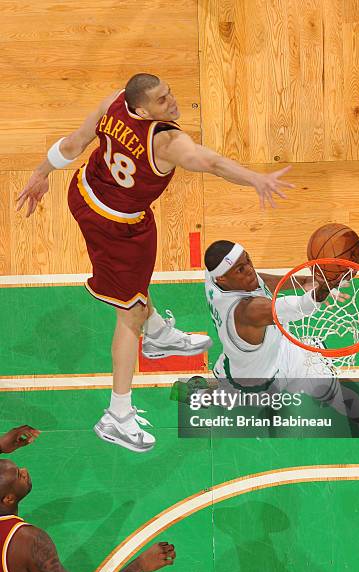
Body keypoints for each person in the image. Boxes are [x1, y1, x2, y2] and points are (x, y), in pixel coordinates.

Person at [16, 73, 294, 454]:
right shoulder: (167, 141)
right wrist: (256, 180)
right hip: (112, 226)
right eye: (162, 100)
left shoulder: (114, 101)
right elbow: (211, 163)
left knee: (135, 289)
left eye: (170, 92)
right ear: (141, 108)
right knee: (129, 312)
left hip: (93, 197)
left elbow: (73, 144)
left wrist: (41, 173)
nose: (173, 101)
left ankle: (159, 335)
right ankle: (117, 414)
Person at [199, 240, 359, 464]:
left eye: (248, 260)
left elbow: (260, 281)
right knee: (221, 398)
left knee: (341, 393)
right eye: (240, 269)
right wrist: (326, 284)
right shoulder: (246, 311)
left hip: (281, 353)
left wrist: (306, 280)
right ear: (222, 278)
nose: (250, 270)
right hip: (253, 381)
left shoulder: (214, 278)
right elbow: (299, 307)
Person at [0, 459, 175, 572]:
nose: (24, 470)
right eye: (17, 475)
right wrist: (139, 566)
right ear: (8, 499)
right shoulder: (28, 540)